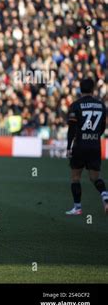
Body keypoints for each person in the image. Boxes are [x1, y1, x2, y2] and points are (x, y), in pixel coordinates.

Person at [66, 78, 108, 215]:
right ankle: (105, 196)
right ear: (93, 89)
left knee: (75, 177)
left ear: (80, 89)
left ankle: (77, 208)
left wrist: (68, 147)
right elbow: (102, 127)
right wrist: (94, 136)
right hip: (95, 145)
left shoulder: (76, 105)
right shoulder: (101, 106)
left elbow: (72, 129)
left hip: (80, 145)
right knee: (95, 177)